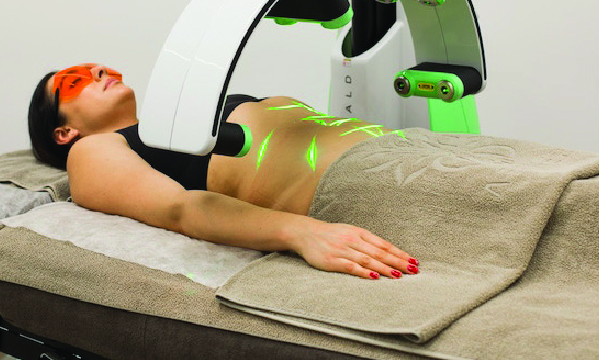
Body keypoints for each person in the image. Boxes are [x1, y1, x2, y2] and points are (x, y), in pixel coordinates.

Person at [28, 63, 419, 280]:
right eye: (75, 80)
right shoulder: (91, 152)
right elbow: (178, 209)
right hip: (374, 181)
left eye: (95, 67)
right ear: (64, 132)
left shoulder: (179, 122)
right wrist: (302, 233)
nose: (99, 69)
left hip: (412, 147)